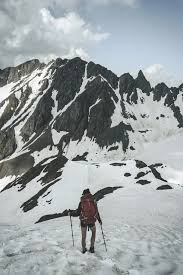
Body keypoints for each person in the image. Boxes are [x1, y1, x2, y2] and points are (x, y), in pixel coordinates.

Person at [68, 188, 102, 254]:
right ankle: (92, 248)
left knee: (83, 236)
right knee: (93, 233)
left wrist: (71, 213)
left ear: (83, 194)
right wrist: (99, 220)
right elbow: (96, 212)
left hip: (83, 221)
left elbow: (78, 213)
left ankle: (84, 249)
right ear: (89, 193)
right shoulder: (93, 201)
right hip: (91, 220)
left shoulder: (82, 202)